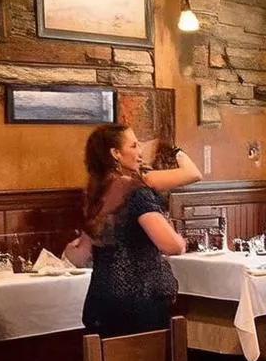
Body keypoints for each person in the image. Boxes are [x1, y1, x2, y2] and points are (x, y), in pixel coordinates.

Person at [79, 123, 188, 336]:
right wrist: (180, 240)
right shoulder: (136, 193)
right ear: (115, 154)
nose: (140, 152)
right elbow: (172, 245)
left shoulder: (95, 196)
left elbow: (79, 255)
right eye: (134, 145)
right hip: (139, 302)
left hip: (99, 300)